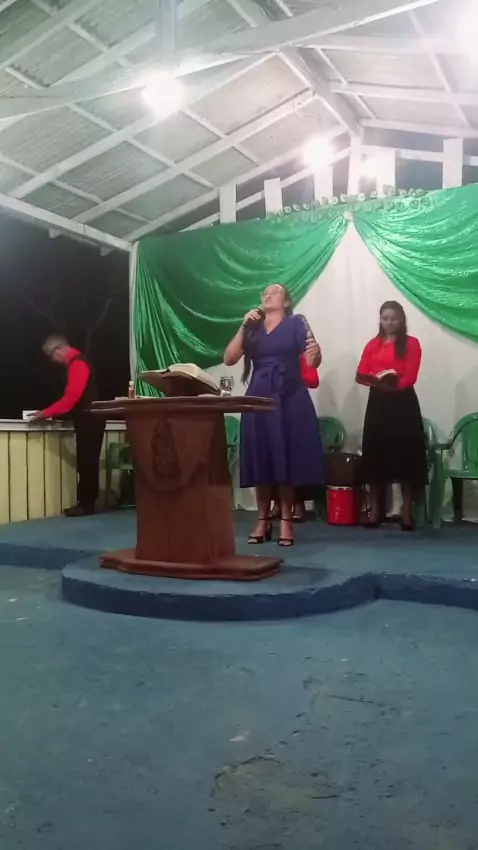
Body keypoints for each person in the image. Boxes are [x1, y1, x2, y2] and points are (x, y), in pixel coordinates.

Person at [223, 283, 325, 546]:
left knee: (286, 458)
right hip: (259, 394)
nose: (268, 294)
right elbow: (229, 358)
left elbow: (312, 360)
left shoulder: (296, 323)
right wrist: (243, 325)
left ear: (287, 302)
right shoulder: (253, 327)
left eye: (275, 292)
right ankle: (262, 519)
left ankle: (286, 521)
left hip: (289, 394)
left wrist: (316, 355)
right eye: (265, 292)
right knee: (262, 457)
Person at [356, 301, 428, 531]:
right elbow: (362, 371)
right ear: (380, 320)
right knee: (376, 454)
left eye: (394, 318)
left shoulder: (411, 343)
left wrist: (393, 384)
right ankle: (376, 510)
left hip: (403, 403)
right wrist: (375, 381)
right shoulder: (373, 344)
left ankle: (406, 511)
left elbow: (411, 376)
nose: (389, 322)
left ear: (402, 320)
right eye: (385, 318)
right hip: (378, 402)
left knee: (406, 455)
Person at [29, 335, 105, 517]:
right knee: (88, 460)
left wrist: (45, 413)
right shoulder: (79, 362)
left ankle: (86, 505)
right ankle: (88, 502)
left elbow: (71, 398)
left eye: (51, 355)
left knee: (87, 460)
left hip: (90, 418)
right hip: (90, 418)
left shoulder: (78, 364)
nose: (52, 360)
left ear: (60, 349)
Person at [270, 354, 320, 522]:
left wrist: (293, 375)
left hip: (296, 401)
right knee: (274, 450)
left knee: (296, 453)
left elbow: (313, 380)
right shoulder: (268, 353)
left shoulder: (301, 352)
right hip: (274, 400)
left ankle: (299, 504)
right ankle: (277, 502)